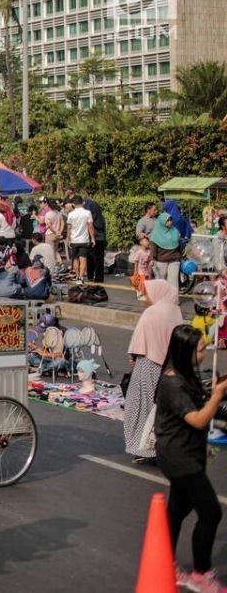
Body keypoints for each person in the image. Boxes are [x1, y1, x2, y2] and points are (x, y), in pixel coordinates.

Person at [155, 325, 227, 592]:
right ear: (185, 352)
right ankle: (201, 574)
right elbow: (197, 420)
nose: (205, 353)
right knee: (211, 512)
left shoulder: (185, 374)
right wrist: (217, 397)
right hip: (179, 457)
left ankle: (167, 563)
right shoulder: (172, 381)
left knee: (177, 511)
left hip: (186, 452)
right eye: (200, 349)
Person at [123, 279, 185, 463]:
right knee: (160, 408)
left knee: (140, 406)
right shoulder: (175, 311)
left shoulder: (153, 312)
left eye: (149, 292)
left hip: (148, 363)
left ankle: (143, 449)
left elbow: (139, 340)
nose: (147, 296)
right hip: (168, 366)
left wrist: (132, 358)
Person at [151, 212, 184, 291]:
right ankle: (161, 298)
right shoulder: (156, 233)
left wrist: (180, 256)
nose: (170, 222)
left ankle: (173, 299)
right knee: (161, 280)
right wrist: (152, 259)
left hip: (174, 259)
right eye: (167, 220)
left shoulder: (175, 231)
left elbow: (179, 245)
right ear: (162, 221)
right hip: (161, 260)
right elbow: (153, 247)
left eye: (171, 220)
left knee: (174, 280)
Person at [66, 198, 94, 283]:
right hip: (84, 240)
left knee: (75, 259)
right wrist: (92, 238)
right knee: (83, 259)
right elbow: (90, 226)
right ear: (83, 203)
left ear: (73, 204)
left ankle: (77, 276)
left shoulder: (71, 214)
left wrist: (68, 238)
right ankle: (81, 277)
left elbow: (69, 227)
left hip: (74, 240)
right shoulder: (87, 213)